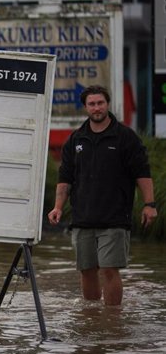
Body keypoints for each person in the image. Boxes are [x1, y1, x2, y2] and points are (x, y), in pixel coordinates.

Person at [48, 84, 157, 306]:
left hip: (115, 218)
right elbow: (65, 178)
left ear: (107, 104)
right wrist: (58, 206)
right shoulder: (76, 139)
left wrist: (150, 204)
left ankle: (113, 320)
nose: (97, 108)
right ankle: (92, 317)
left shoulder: (125, 137)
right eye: (92, 104)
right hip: (83, 218)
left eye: (100, 103)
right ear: (85, 107)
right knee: (87, 270)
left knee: (109, 269)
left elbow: (142, 173)